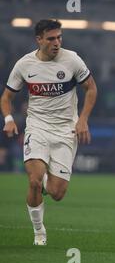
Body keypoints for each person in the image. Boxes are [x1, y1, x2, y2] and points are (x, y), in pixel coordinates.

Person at [1, 19, 97, 245]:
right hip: (38, 126)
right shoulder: (24, 65)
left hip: (66, 130)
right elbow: (6, 97)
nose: (57, 43)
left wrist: (83, 120)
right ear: (39, 40)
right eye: (51, 38)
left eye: (59, 37)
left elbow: (91, 88)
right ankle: (39, 232)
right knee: (34, 180)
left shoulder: (71, 59)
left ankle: (45, 184)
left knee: (57, 193)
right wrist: (8, 119)